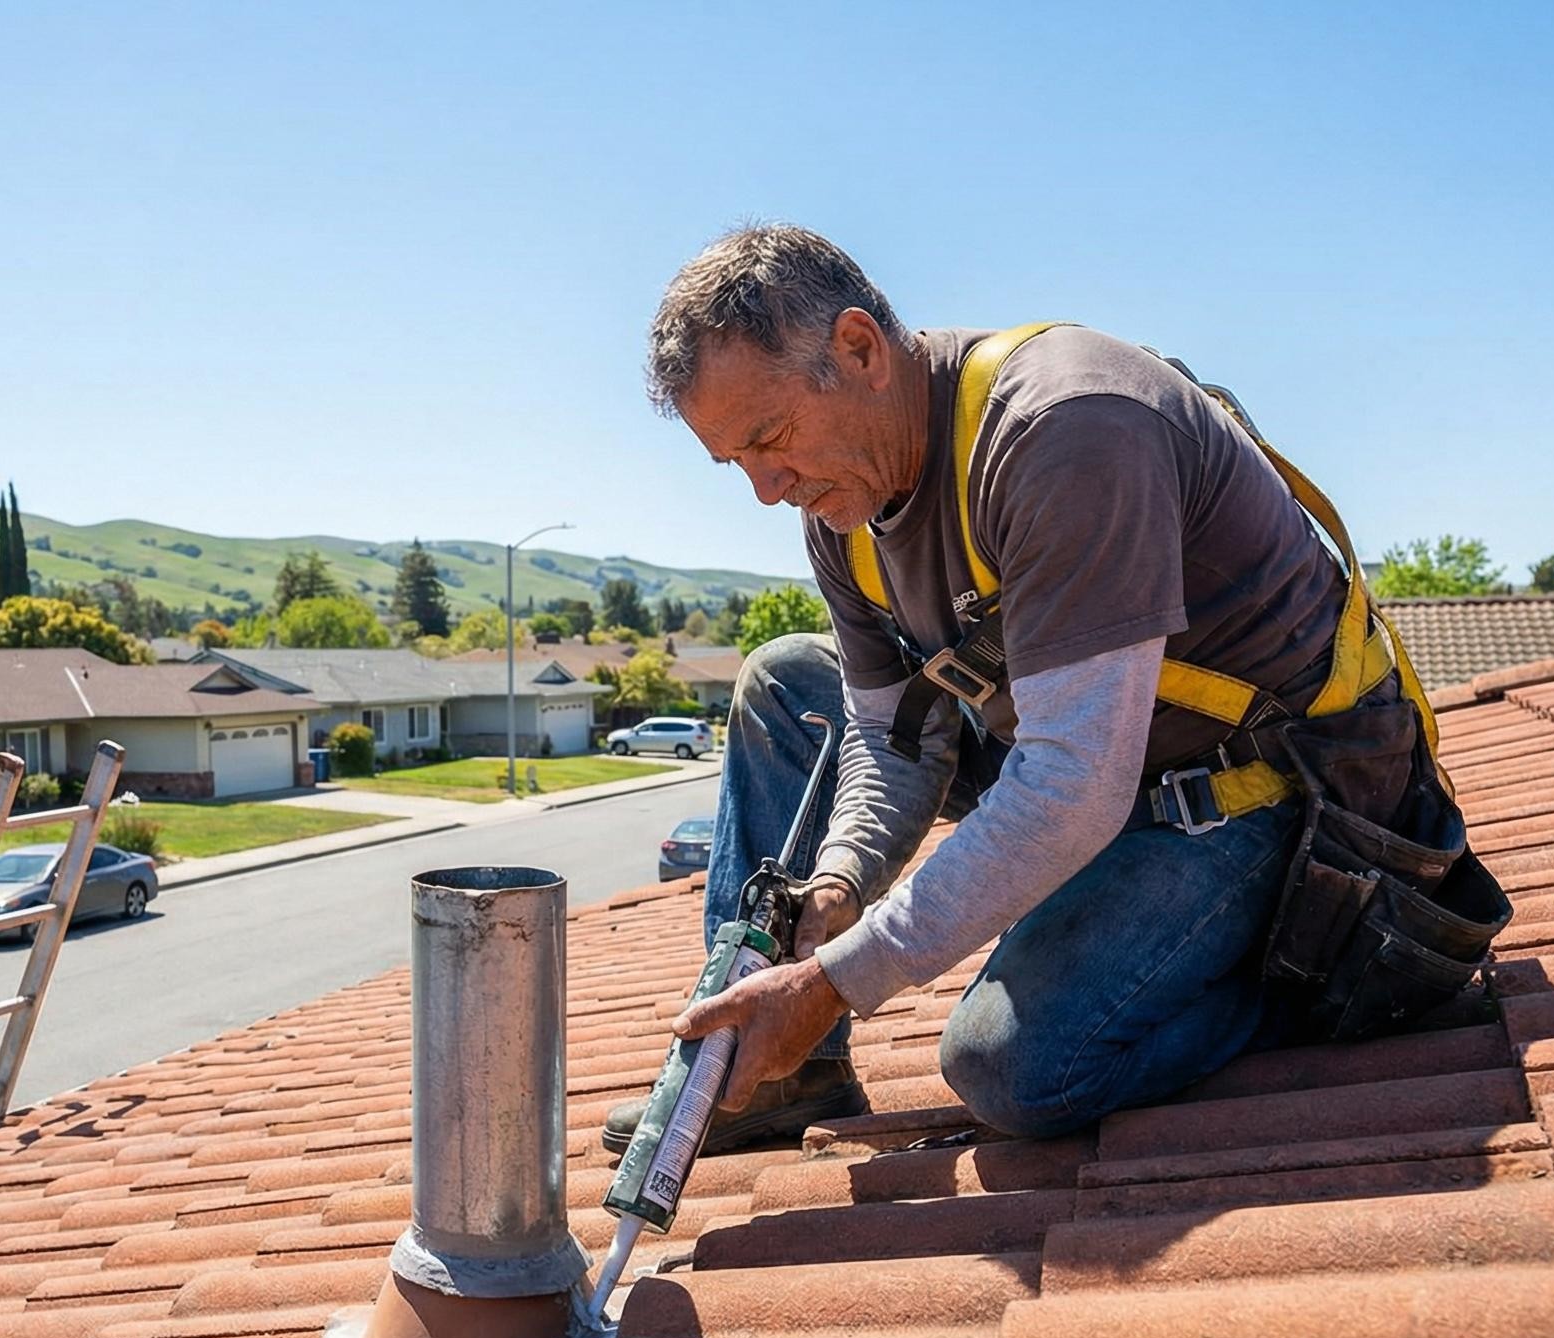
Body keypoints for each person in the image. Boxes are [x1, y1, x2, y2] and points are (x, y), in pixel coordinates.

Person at [602, 223, 1433, 1154]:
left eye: (772, 437)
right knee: (787, 683)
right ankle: (774, 1071)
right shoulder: (845, 508)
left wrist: (838, 978)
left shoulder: (1067, 426)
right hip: (1097, 759)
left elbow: (1073, 781)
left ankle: (1323, 974)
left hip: (1273, 790)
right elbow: (892, 739)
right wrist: (838, 886)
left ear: (860, 349)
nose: (766, 488)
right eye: (736, 463)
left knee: (1011, 1068)